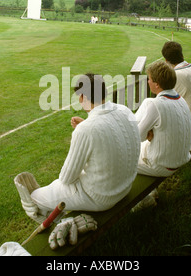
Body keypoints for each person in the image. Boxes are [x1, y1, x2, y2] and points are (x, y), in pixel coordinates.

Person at [15, 73, 141, 222]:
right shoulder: (124, 110)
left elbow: (67, 178)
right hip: (125, 186)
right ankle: (62, 221)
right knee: (58, 186)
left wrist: (81, 132)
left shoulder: (86, 130)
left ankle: (62, 224)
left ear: (82, 97)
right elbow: (111, 134)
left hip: (102, 196)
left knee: (34, 198)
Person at [135, 61, 191, 178]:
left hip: (161, 166)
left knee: (119, 158)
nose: (148, 81)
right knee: (147, 101)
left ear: (157, 84)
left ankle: (147, 195)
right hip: (180, 158)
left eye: (150, 79)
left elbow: (138, 137)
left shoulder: (157, 105)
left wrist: (147, 134)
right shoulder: (181, 99)